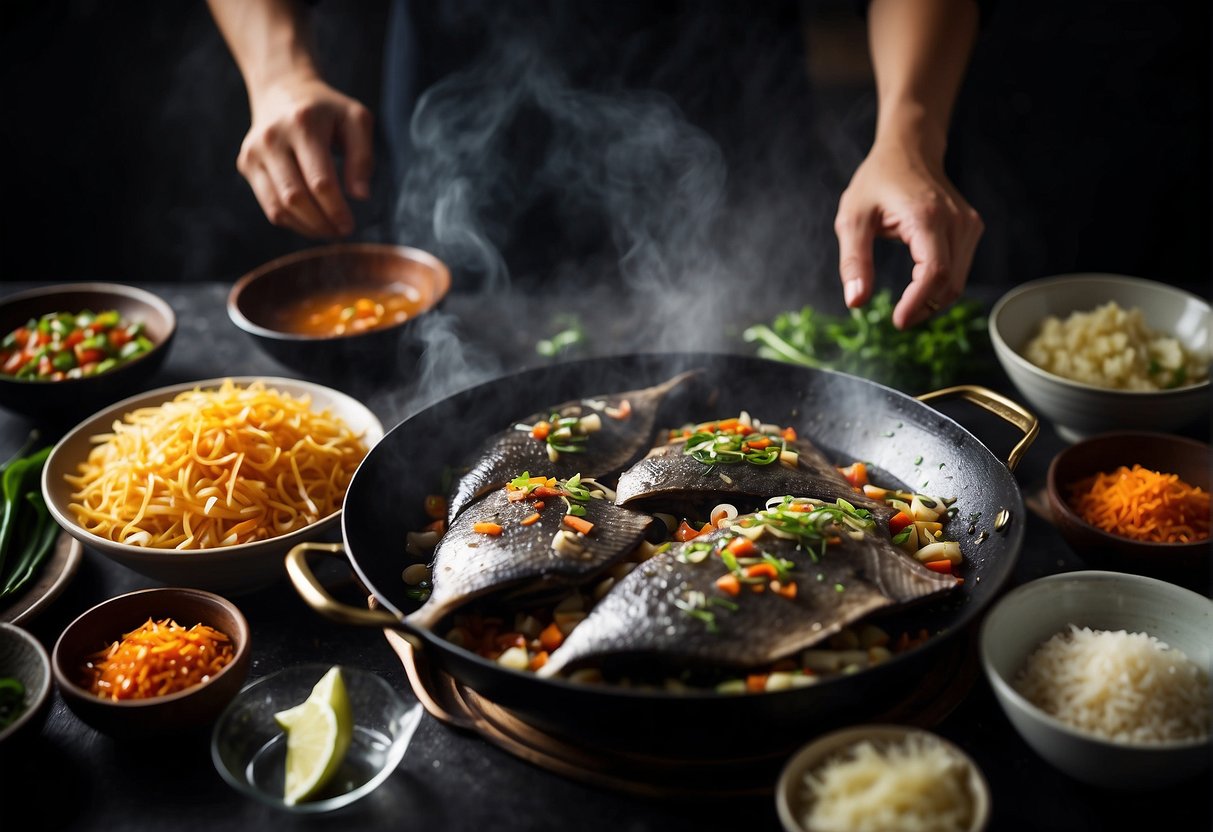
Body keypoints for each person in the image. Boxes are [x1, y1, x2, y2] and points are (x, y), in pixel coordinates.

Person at [207, 0, 984, 330]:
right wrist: (277, 72)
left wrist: (907, 134)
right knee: (455, 366)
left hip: (731, 118)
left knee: (750, 330)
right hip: (461, 127)